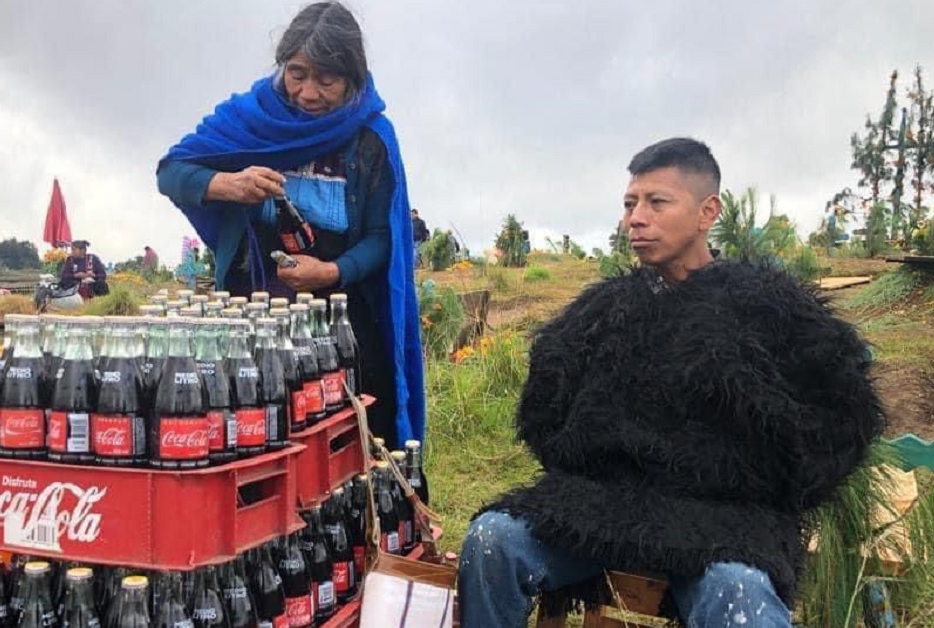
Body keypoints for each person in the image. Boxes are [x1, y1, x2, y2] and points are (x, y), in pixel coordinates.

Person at [458, 138, 883, 627]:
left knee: (740, 592)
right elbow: (545, 410)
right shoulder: (599, 314)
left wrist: (768, 486)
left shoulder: (772, 309)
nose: (636, 218)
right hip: (603, 504)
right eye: (629, 203)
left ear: (708, 212)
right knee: (493, 540)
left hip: (724, 517)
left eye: (657, 202)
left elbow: (842, 410)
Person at [156, 1, 424, 451]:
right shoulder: (248, 120)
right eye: (298, 72)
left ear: (352, 78)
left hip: (340, 328)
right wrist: (228, 184)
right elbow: (172, 172)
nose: (308, 92)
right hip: (251, 328)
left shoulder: (371, 140)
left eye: (327, 79)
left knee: (351, 448)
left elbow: (383, 239)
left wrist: (332, 272)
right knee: (252, 439)